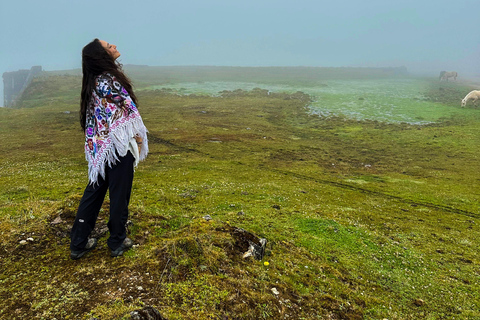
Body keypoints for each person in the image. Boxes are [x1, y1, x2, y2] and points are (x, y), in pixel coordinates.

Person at [70, 39, 148, 259]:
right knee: (119, 193)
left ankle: (78, 243)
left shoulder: (94, 80)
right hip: (117, 146)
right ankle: (117, 241)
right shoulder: (108, 79)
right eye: (109, 46)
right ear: (101, 55)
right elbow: (127, 110)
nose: (114, 46)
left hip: (101, 146)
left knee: (94, 192)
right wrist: (136, 136)